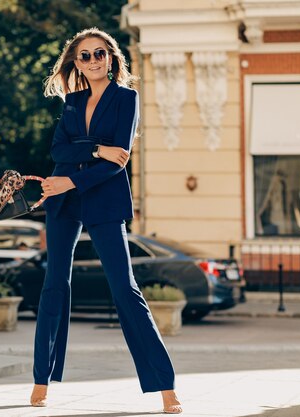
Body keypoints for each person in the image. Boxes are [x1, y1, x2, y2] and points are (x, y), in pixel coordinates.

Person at [30, 27, 182, 414]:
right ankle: (40, 379)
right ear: (76, 63)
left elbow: (120, 161)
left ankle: (165, 386)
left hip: (103, 200)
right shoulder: (72, 101)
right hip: (62, 201)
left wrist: (72, 175)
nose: (94, 60)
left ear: (112, 59)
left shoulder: (126, 98)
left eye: (101, 53)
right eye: (85, 55)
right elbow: (58, 148)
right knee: (54, 286)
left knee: (125, 290)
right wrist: (96, 148)